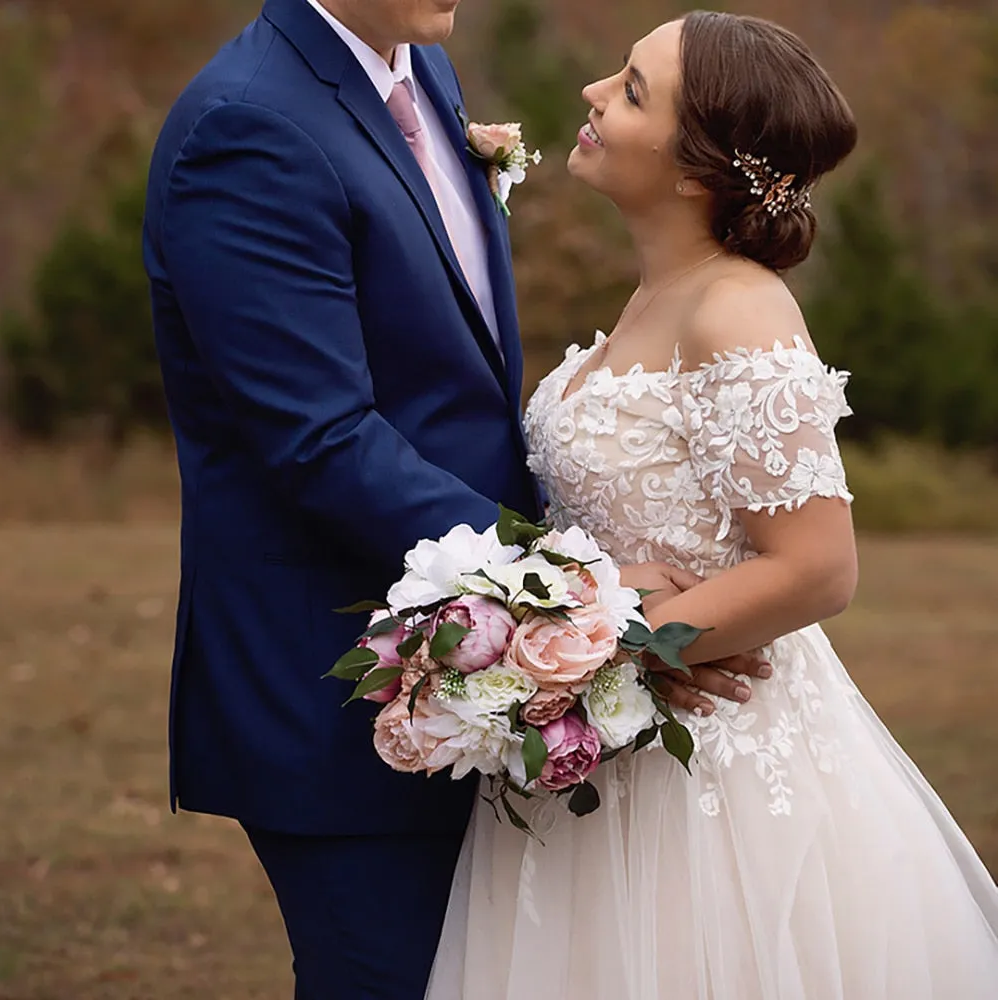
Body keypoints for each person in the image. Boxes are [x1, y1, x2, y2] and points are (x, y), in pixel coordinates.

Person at [142, 1, 767, 995]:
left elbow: (450, 389)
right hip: (342, 688)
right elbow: (320, 438)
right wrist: (580, 594)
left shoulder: (421, 77)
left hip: (486, 670)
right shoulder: (247, 127)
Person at [426, 12, 998, 999]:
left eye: (633, 90)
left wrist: (603, 641)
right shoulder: (658, 294)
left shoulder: (737, 307)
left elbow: (817, 565)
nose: (591, 93)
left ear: (696, 173)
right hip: (602, 746)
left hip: (712, 775)